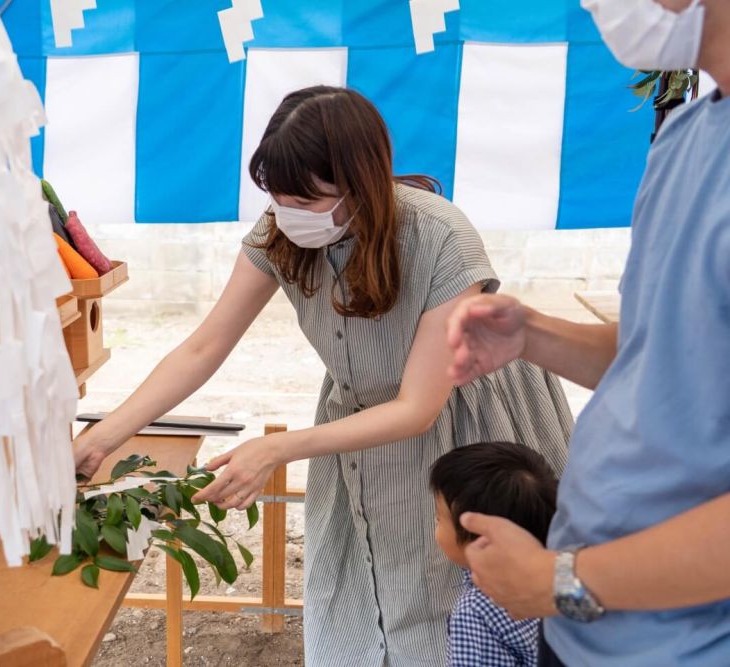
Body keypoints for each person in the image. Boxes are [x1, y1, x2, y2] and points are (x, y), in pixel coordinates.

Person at [75, 85, 572, 666]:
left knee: (457, 601)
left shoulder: (442, 236)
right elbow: (203, 346)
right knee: (361, 596)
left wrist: (277, 449)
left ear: (361, 182)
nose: (288, 213)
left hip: (465, 424)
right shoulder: (282, 227)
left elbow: (417, 407)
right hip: (359, 425)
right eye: (278, 195)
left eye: (308, 199)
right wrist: (104, 437)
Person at [444, 1, 730, 665]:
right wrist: (532, 335)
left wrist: (561, 579)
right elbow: (664, 356)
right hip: (587, 625)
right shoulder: (686, 136)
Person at [429, 442, 559, 667]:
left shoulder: (475, 611)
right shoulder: (571, 575)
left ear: (481, 537)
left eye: (440, 518)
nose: (435, 522)